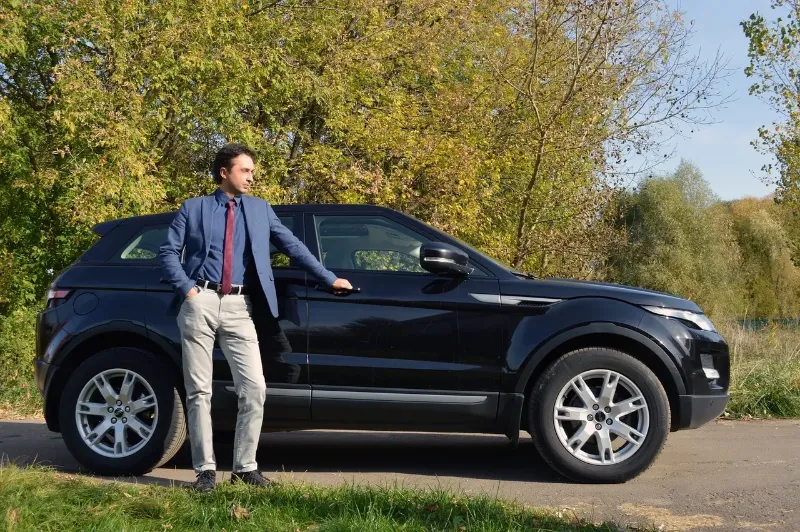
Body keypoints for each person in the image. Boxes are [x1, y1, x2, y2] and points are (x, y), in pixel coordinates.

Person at [159, 143, 352, 492]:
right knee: (199, 390)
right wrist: (188, 290)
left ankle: (245, 467)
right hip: (199, 301)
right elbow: (168, 252)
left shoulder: (261, 210)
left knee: (255, 388)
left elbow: (292, 246)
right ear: (224, 172)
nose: (251, 176)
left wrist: (328, 277)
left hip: (241, 306)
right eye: (245, 170)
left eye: (251, 170)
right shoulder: (194, 208)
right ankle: (204, 472)